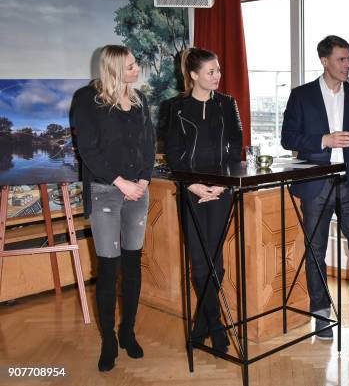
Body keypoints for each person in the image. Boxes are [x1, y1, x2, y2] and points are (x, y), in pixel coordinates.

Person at [281, 35, 349, 340]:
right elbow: (288, 138)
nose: (348, 64)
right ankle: (321, 313)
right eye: (342, 59)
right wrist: (323, 141)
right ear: (325, 61)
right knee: (315, 249)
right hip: (316, 181)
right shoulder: (302, 96)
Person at [72, 45, 155, 371]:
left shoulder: (139, 99)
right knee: (109, 270)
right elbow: (88, 150)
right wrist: (121, 182)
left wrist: (144, 181)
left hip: (139, 192)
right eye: (132, 66)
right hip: (106, 191)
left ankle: (127, 333)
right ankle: (108, 341)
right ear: (115, 69)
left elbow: (148, 144)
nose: (137, 71)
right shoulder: (86, 99)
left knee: (133, 266)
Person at [164, 48, 243, 353]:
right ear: (194, 75)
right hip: (191, 191)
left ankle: (202, 327)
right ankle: (217, 327)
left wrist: (223, 185)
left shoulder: (227, 104)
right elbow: (173, 153)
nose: (218, 76)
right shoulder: (175, 107)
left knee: (216, 260)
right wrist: (193, 184)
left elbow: (236, 150)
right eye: (211, 72)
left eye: (219, 71)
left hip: (222, 192)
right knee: (200, 262)